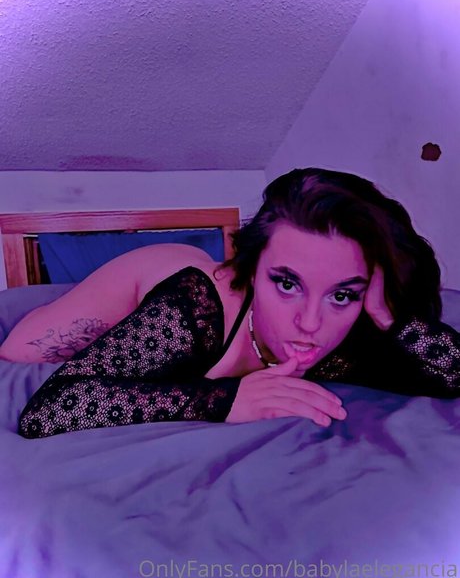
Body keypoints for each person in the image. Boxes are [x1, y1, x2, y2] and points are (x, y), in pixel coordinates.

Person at [1, 168, 459, 439]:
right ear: (252, 268)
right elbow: (49, 409)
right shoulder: (194, 309)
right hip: (157, 273)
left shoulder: (354, 329)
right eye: (287, 284)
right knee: (21, 349)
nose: (310, 323)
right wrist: (226, 400)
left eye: (341, 294)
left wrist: (388, 316)